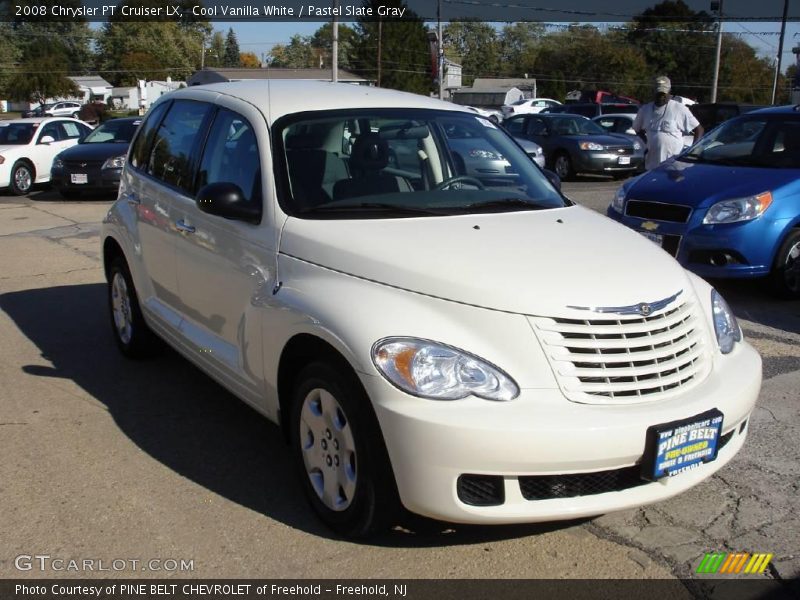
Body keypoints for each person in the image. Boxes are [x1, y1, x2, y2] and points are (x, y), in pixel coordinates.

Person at [634, 76, 703, 170]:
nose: (661, 97)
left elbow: (699, 129)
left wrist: (693, 152)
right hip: (652, 165)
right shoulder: (645, 110)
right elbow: (637, 129)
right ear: (653, 92)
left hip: (674, 166)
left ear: (669, 92)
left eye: (664, 94)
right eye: (659, 94)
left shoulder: (679, 108)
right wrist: (646, 145)